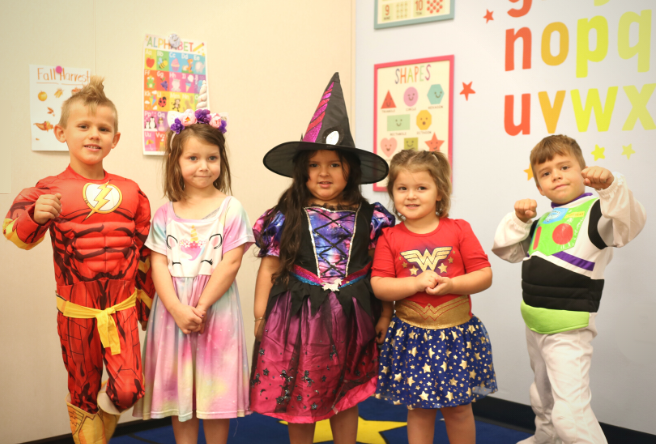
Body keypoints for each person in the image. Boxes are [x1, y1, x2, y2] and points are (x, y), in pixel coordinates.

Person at [3, 76, 154, 443]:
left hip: (121, 311)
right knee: (82, 393)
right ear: (61, 133)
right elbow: (15, 233)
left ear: (115, 139)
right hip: (75, 314)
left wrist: (150, 309)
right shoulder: (46, 189)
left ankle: (101, 420)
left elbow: (145, 253)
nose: (93, 134)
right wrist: (36, 216)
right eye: (83, 126)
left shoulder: (132, 191)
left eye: (103, 128)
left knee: (129, 389)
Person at [250, 73, 395, 444]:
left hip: (354, 318)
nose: (324, 173)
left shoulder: (372, 216)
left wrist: (384, 314)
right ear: (302, 171)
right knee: (302, 391)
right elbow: (269, 266)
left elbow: (382, 269)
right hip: (298, 318)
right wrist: (260, 315)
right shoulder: (286, 214)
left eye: (334, 164)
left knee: (346, 394)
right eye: (314, 165)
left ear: (351, 169)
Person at [492, 135, 646, 444]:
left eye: (564, 166)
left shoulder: (598, 211)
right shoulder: (542, 219)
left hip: (569, 328)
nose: (556, 175)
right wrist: (520, 220)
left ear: (583, 171)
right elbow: (506, 251)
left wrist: (610, 186)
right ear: (539, 186)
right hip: (534, 324)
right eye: (546, 173)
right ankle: (546, 439)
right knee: (542, 398)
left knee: (570, 416)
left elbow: (630, 223)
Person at [132, 108, 253, 444]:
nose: (203, 166)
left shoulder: (232, 208)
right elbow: (157, 264)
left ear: (221, 161)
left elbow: (231, 262)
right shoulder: (165, 213)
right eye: (193, 157)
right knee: (179, 395)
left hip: (215, 311)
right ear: (177, 162)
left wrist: (199, 307)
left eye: (212, 158)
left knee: (216, 394)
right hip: (173, 313)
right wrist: (176, 309)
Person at [372, 150, 496, 444]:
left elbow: (484, 275)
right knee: (419, 410)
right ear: (392, 192)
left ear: (440, 192)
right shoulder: (389, 237)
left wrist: (451, 284)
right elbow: (379, 285)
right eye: (402, 188)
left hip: (455, 336)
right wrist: (414, 284)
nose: (411, 196)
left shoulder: (458, 229)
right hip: (412, 339)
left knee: (459, 409)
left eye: (421, 188)